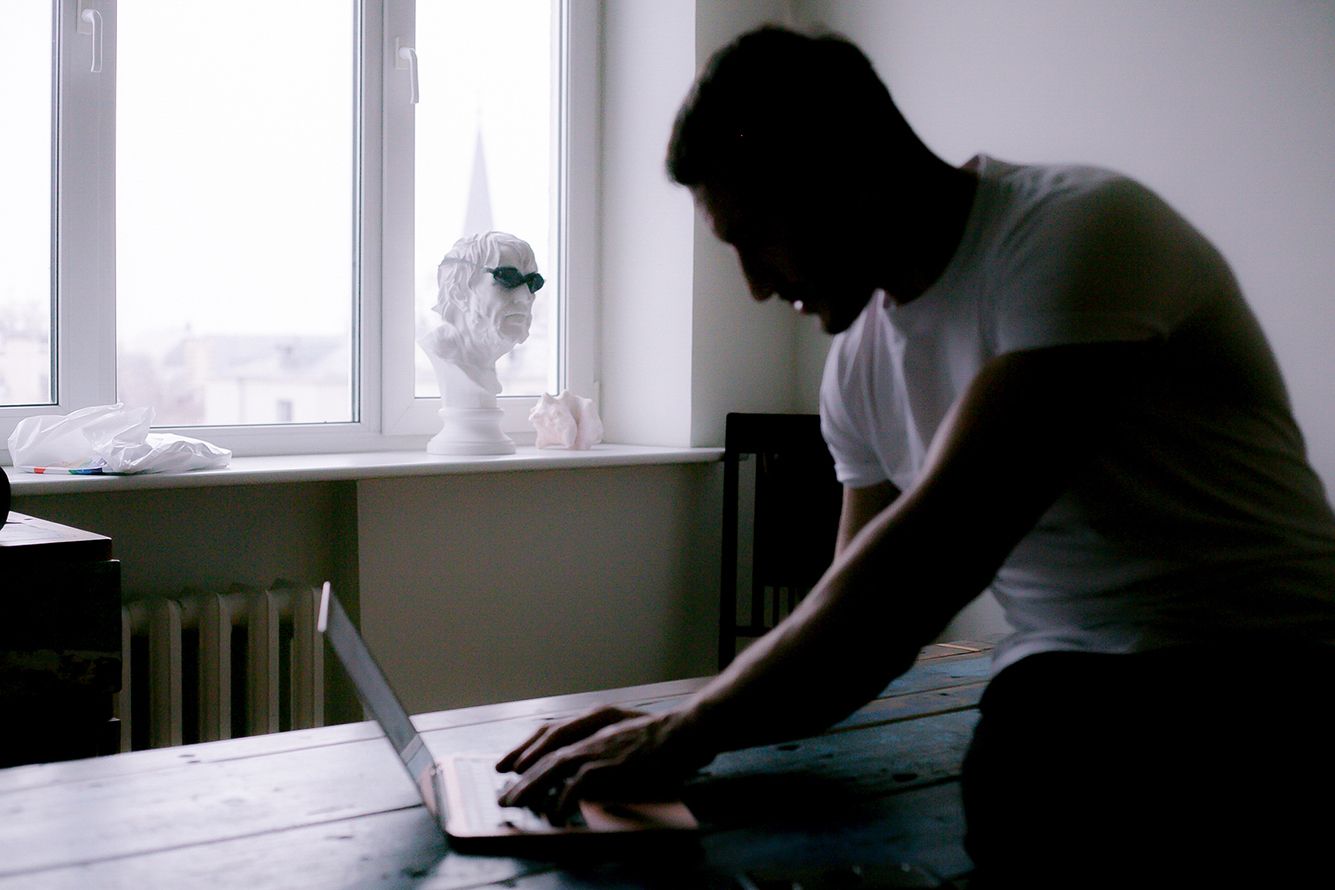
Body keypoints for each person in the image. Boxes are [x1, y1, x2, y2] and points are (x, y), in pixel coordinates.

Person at [497, 25, 1335, 884]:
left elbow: (927, 562)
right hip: (1067, 681)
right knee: (1029, 736)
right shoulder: (857, 369)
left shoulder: (1079, 232)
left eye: (756, 236)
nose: (754, 285)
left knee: (1037, 749)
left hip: (1273, 666)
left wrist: (684, 729)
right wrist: (665, 723)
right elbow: (848, 618)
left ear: (846, 174)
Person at [420, 230, 543, 405]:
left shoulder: (485, 362)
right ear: (459, 294)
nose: (525, 297)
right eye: (508, 279)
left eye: (533, 283)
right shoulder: (442, 355)